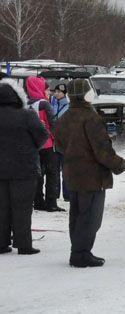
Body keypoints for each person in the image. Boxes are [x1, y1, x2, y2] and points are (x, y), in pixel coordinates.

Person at [54, 78, 125, 268]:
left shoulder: (64, 117)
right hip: (92, 177)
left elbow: (60, 146)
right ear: (87, 95)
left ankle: (77, 251)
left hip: (72, 175)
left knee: (77, 215)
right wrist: (119, 165)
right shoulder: (91, 118)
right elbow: (102, 151)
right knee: (90, 218)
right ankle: (81, 254)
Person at [0, 79, 49, 255]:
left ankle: (1, 243)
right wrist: (31, 148)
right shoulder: (27, 115)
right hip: (24, 169)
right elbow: (43, 135)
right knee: (22, 207)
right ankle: (23, 244)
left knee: (2, 207)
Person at [25, 76, 64, 212]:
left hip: (33, 146)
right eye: (47, 89)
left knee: (38, 174)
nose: (49, 92)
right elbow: (53, 124)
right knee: (52, 174)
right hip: (47, 145)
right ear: (40, 88)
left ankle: (38, 201)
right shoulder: (44, 104)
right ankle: (51, 202)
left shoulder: (26, 103)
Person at [50, 82, 70, 202]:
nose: (57, 94)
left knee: (66, 170)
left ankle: (67, 195)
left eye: (59, 92)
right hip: (53, 143)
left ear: (64, 94)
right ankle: (55, 193)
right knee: (54, 170)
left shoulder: (68, 107)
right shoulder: (51, 105)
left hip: (65, 143)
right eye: (56, 92)